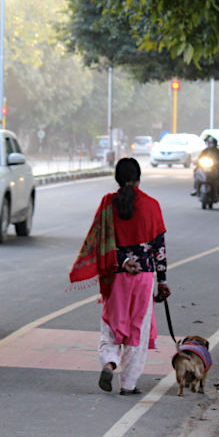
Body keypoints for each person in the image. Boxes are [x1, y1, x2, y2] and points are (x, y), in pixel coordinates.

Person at [69, 157, 170, 395]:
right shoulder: (152, 205)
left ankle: (110, 362)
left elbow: (100, 241)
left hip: (116, 277)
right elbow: (159, 248)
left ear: (116, 178)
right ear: (139, 178)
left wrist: (124, 261)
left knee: (112, 327)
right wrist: (163, 281)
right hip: (144, 277)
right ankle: (128, 384)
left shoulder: (108, 204)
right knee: (137, 329)